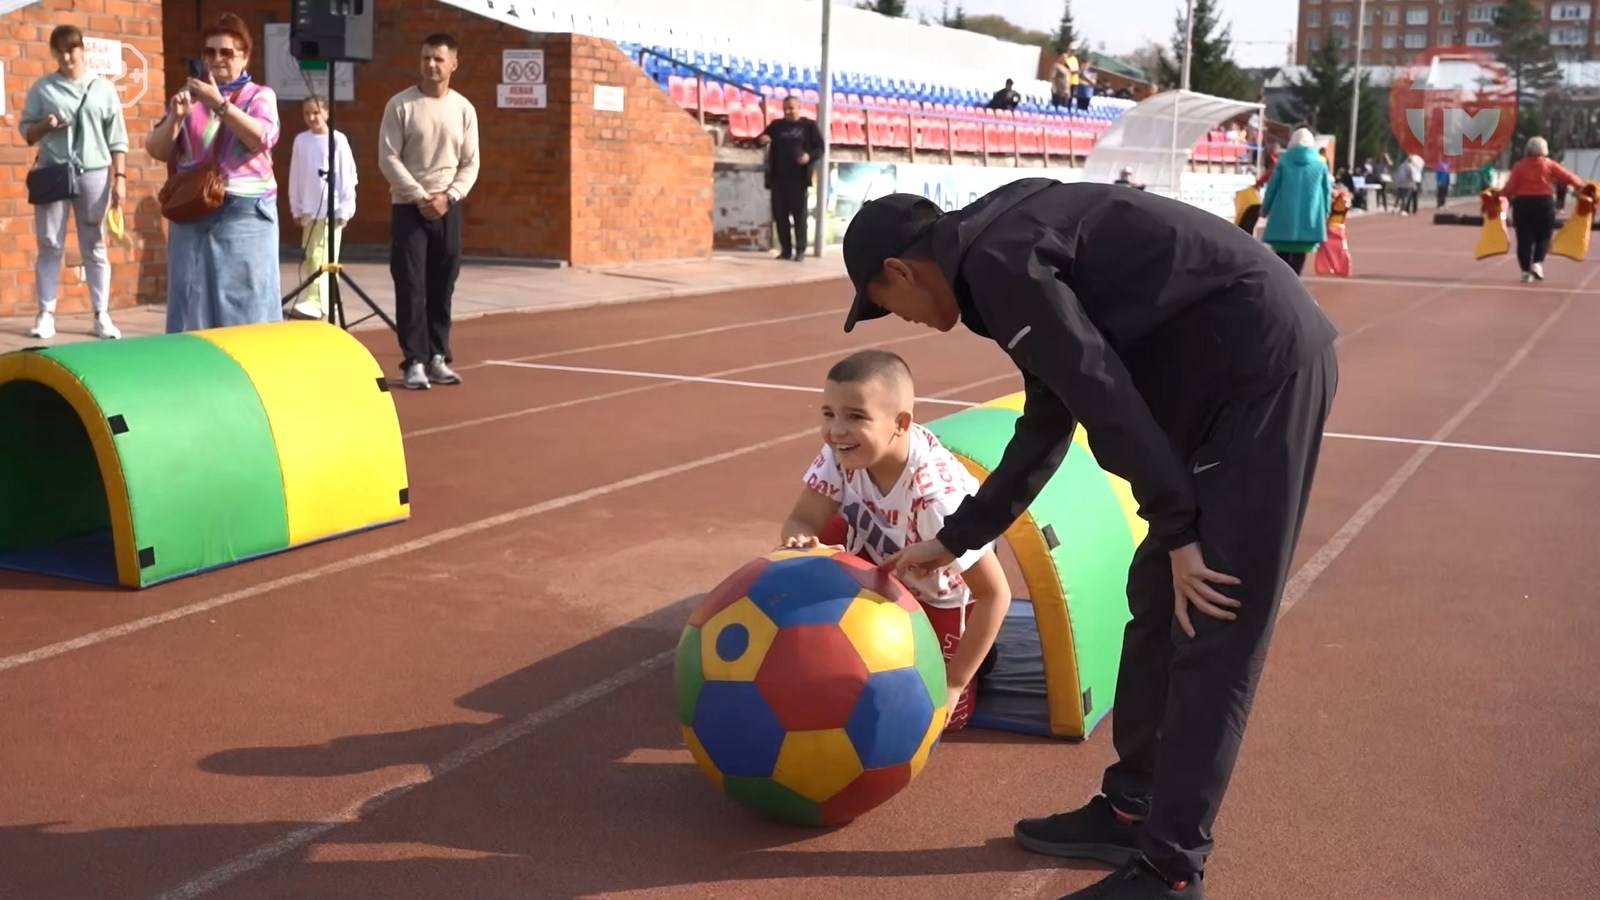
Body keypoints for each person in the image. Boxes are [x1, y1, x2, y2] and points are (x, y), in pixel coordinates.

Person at [841, 180, 1338, 899]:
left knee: (1213, 624)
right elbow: (1052, 413)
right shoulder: (993, 254)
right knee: (1158, 601)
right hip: (1217, 379)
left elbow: (1103, 394)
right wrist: (955, 540)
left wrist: (1177, 527)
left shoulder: (1000, 263)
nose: (903, 320)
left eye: (886, 306)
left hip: (1261, 376)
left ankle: (1169, 871)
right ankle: (1132, 808)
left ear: (900, 271)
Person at [779, 349, 1012, 732]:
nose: (836, 430)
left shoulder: (937, 499)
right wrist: (801, 543)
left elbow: (995, 594)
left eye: (855, 416)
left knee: (939, 719)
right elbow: (801, 519)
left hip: (943, 592)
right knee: (819, 538)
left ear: (900, 423)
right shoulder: (840, 452)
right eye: (828, 414)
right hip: (884, 564)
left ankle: (982, 658)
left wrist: (954, 684)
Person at [146, 12, 282, 333]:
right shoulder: (189, 96)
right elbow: (157, 149)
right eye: (210, 52)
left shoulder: (259, 96)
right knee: (189, 304)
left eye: (227, 52)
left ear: (244, 56)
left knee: (246, 308)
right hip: (191, 210)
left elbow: (261, 137)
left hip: (244, 213)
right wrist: (176, 118)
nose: (217, 59)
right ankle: (191, 377)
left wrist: (219, 103)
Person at [379, 32, 480, 391]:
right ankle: (415, 361)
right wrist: (421, 195)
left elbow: (470, 164)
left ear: (454, 63)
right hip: (409, 208)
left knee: (442, 285)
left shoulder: (464, 109)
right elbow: (388, 157)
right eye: (426, 58)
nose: (431, 65)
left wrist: (448, 197)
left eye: (438, 59)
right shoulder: (400, 105)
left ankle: (438, 356)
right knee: (410, 286)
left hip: (447, 208)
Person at [19, 24, 127, 341]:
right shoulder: (43, 89)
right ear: (54, 53)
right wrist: (45, 124)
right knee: (50, 243)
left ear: (83, 50)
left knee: (94, 244)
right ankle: (45, 313)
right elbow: (27, 134)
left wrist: (119, 178)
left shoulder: (102, 88)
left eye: (73, 49)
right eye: (61, 50)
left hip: (94, 171)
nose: (67, 56)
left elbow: (117, 138)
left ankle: (101, 314)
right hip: (54, 171)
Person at [286, 95, 357, 321]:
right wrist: (296, 207)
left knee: (323, 256)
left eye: (316, 113)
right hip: (309, 209)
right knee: (310, 255)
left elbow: (348, 175)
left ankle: (319, 301)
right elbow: (295, 175)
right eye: (307, 114)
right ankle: (321, 299)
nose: (311, 118)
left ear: (326, 113)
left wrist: (346, 208)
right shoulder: (301, 140)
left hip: (332, 210)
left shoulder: (338, 140)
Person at [1502, 137, 1584, 283]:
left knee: (1523, 238)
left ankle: (1525, 271)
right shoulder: (1549, 164)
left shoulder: (1518, 166)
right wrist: (1581, 186)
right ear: (1544, 150)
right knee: (1544, 235)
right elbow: (1567, 176)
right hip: (1544, 203)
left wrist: (1498, 195)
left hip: (1522, 203)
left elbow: (1510, 187)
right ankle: (1537, 262)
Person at [756, 96, 823, 262]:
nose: (788, 111)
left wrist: (808, 156)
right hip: (778, 178)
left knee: (799, 216)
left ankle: (800, 250)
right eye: (786, 108)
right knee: (780, 216)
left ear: (799, 108)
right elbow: (760, 139)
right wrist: (763, 139)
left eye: (791, 108)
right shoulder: (776, 126)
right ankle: (785, 250)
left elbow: (820, 148)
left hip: (798, 179)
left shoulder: (808, 126)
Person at [1260, 127, 1331, 276]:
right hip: (1309, 221)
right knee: (1300, 257)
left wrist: (1265, 208)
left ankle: (1283, 287)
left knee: (1281, 259)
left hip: (1282, 219)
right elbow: (1326, 192)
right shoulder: (1320, 164)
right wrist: (1326, 212)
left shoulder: (1283, 162)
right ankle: (1295, 284)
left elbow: (1272, 187)